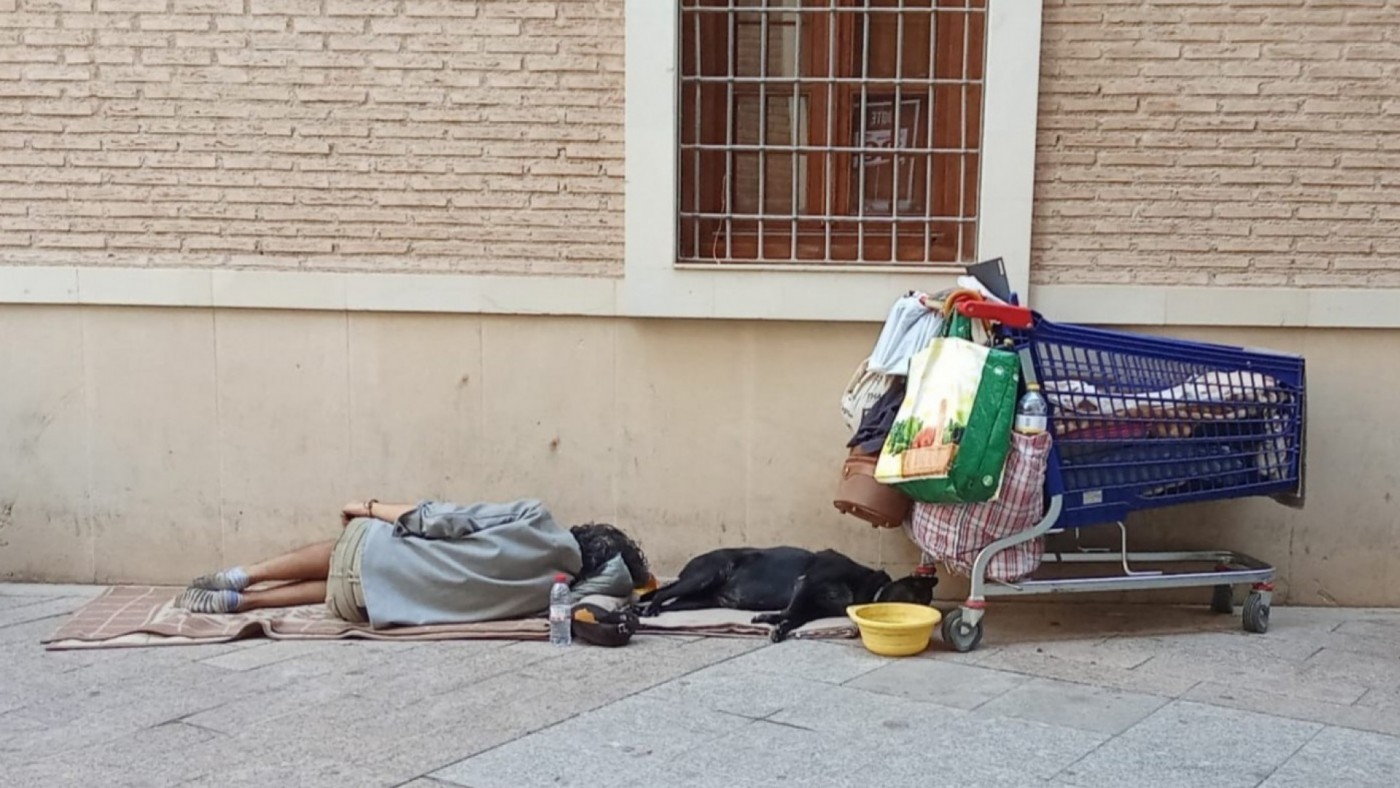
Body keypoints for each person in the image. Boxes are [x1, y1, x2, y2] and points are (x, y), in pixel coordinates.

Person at [175, 498, 650, 631]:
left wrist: (370, 505)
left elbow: (442, 519)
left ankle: (245, 575)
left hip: (380, 554)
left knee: (358, 544)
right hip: (368, 605)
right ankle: (242, 602)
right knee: (352, 585)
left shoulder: (537, 518)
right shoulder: (553, 600)